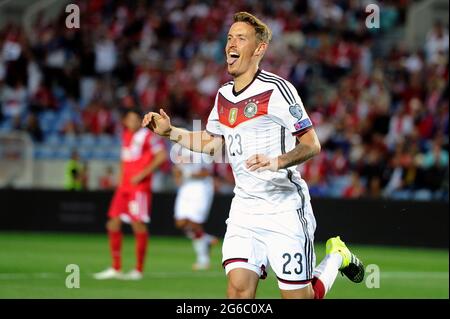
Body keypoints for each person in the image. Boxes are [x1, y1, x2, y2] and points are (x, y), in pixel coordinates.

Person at [142, 12, 364, 299]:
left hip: (283, 207)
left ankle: (336, 256)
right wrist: (171, 132)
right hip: (244, 209)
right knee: (238, 293)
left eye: (241, 38)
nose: (231, 44)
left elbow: (312, 144)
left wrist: (277, 161)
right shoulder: (223, 95)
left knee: (300, 297)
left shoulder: (277, 90)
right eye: (229, 37)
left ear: (259, 49)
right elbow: (212, 144)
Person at [94, 108, 167, 280]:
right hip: (124, 187)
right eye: (131, 120)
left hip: (139, 187)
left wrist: (143, 174)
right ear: (125, 121)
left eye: (137, 119)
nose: (134, 122)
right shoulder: (125, 135)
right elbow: (124, 160)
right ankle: (116, 267)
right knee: (112, 223)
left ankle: (138, 270)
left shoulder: (148, 136)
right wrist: (120, 181)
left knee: (138, 224)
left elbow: (162, 156)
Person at [172, 146, 218, 270]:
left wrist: (186, 173)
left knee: (194, 223)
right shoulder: (177, 149)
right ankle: (206, 239)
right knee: (180, 223)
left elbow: (207, 172)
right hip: (186, 187)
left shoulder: (201, 150)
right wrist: (177, 177)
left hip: (201, 187)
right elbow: (176, 168)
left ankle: (203, 259)